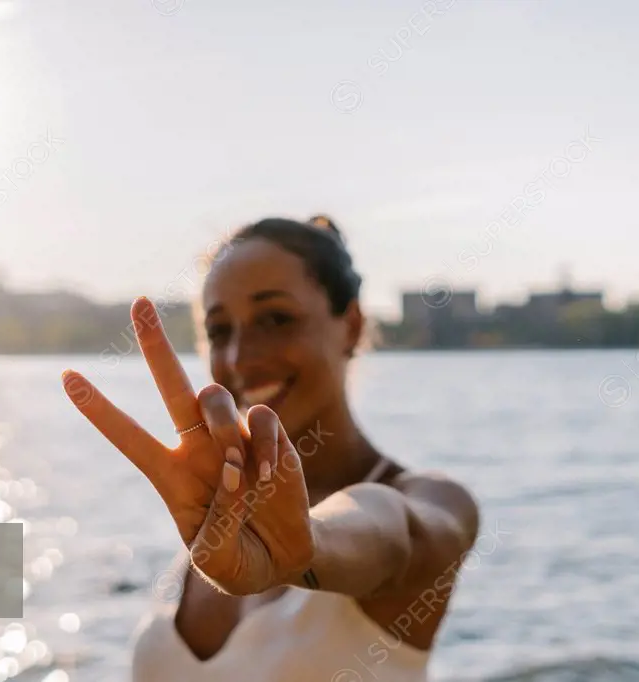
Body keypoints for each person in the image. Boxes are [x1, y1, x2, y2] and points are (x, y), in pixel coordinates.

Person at [61, 215, 480, 681]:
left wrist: (310, 546)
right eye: (220, 331)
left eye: (276, 318)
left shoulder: (432, 502)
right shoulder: (211, 532)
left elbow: (391, 532)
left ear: (352, 325)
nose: (242, 356)